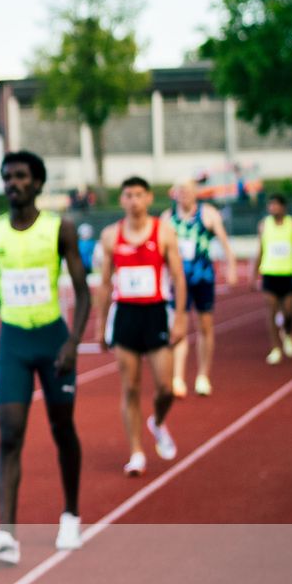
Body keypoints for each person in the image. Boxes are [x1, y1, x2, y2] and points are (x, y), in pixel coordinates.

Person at [0, 150, 91, 566]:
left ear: (38, 183)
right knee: (9, 433)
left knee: (62, 429)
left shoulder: (61, 229)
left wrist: (74, 342)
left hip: (54, 341)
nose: (13, 184)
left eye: (21, 177)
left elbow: (84, 289)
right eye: (7, 177)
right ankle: (7, 535)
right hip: (14, 345)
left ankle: (72, 514)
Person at [96, 178, 187, 476]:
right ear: (121, 200)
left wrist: (182, 317)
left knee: (165, 387)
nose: (133, 200)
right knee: (130, 387)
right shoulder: (111, 236)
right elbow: (105, 283)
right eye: (127, 195)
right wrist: (100, 325)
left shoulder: (164, 232)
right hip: (126, 316)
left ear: (148, 198)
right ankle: (136, 452)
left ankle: (157, 422)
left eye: (138, 195)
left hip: (156, 313)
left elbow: (178, 276)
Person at [163, 181, 238, 397]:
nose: (184, 194)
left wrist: (231, 267)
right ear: (174, 194)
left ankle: (203, 375)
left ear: (196, 193)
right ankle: (178, 377)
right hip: (178, 281)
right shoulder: (168, 219)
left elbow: (224, 243)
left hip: (203, 278)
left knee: (205, 327)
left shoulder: (208, 214)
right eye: (180, 190)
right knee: (179, 327)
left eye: (187, 190)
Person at [255, 193, 292, 363]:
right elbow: (260, 250)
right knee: (271, 312)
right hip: (269, 273)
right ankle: (275, 348)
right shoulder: (264, 225)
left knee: (289, 311)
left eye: (276, 204)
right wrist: (254, 273)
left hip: (287, 273)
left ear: (284, 207)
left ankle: (288, 333)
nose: (273, 208)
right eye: (271, 205)